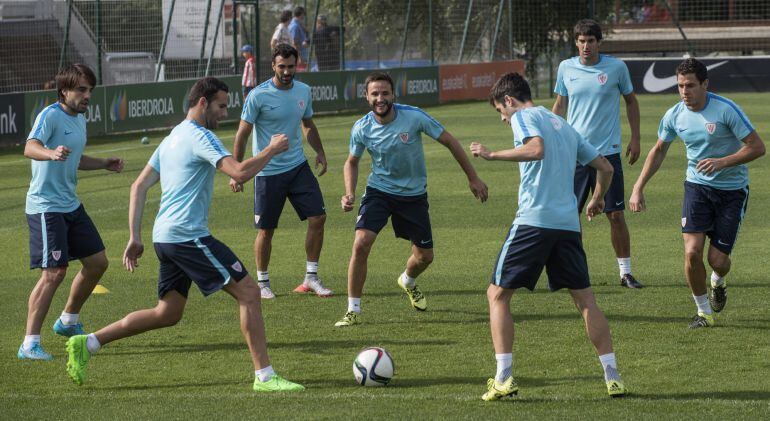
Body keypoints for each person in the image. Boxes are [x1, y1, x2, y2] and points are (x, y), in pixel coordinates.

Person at [64, 77, 304, 393]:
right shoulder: (199, 136)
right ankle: (265, 376)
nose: (224, 113)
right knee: (249, 291)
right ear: (202, 102)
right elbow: (239, 172)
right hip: (187, 236)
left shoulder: (173, 136)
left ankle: (89, 342)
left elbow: (139, 186)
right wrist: (271, 149)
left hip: (165, 238)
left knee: (168, 312)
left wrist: (135, 237)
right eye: (220, 106)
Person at [470, 72, 627, 401]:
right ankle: (612, 374)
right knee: (586, 301)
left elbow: (536, 149)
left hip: (533, 222)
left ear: (509, 101)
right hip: (568, 225)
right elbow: (606, 168)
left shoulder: (524, 116)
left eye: (501, 110)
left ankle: (504, 377)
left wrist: (490, 155)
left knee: (497, 296)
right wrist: (598, 198)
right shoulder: (565, 126)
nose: (503, 118)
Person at [334, 71, 488, 327]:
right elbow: (351, 162)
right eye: (375, 94)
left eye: (385, 93)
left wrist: (472, 177)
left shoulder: (413, 117)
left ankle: (407, 280)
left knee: (425, 257)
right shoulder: (361, 127)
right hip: (379, 191)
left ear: (394, 94)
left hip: (413, 196)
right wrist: (349, 192)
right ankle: (353, 310)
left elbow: (449, 140)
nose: (380, 98)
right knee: (361, 243)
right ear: (366, 96)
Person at [629, 58, 765, 328]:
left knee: (718, 260)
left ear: (705, 84)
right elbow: (659, 150)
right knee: (692, 253)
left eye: (690, 85)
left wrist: (722, 162)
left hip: (732, 191)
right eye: (680, 86)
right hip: (697, 188)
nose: (684, 92)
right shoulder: (674, 114)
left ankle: (718, 280)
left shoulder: (726, 110)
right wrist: (638, 187)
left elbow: (757, 147)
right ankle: (703, 313)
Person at [19, 64, 124, 361]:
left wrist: (103, 163)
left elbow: (74, 160)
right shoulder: (50, 115)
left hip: (70, 204)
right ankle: (29, 344)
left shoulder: (79, 119)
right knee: (54, 273)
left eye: (90, 89)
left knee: (97, 262)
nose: (87, 94)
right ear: (64, 91)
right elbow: (30, 147)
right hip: (46, 207)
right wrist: (49, 153)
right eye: (81, 89)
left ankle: (67, 321)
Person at [230, 44, 331, 299]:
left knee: (318, 218)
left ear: (297, 64)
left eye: (291, 66)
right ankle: (262, 283)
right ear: (273, 66)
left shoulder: (303, 91)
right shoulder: (258, 95)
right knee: (266, 230)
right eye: (281, 66)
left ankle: (311, 277)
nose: (287, 71)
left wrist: (319, 151)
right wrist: (236, 170)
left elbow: (307, 124)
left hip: (298, 167)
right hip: (267, 172)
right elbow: (242, 134)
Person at [552, 19, 644, 289]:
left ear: (599, 42)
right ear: (576, 43)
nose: (585, 46)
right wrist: (550, 139)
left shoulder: (616, 68)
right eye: (581, 41)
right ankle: (572, 273)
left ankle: (625, 273)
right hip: (575, 153)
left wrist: (635, 137)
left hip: (608, 153)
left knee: (615, 215)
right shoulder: (565, 68)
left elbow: (631, 101)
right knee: (570, 216)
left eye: (590, 41)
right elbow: (559, 104)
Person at [288, 6, 309, 71]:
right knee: (301, 78)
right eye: (303, 14)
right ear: (301, 14)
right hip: (299, 58)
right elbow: (294, 43)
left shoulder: (299, 25)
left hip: (302, 56)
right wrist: (298, 57)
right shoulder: (295, 26)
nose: (304, 16)